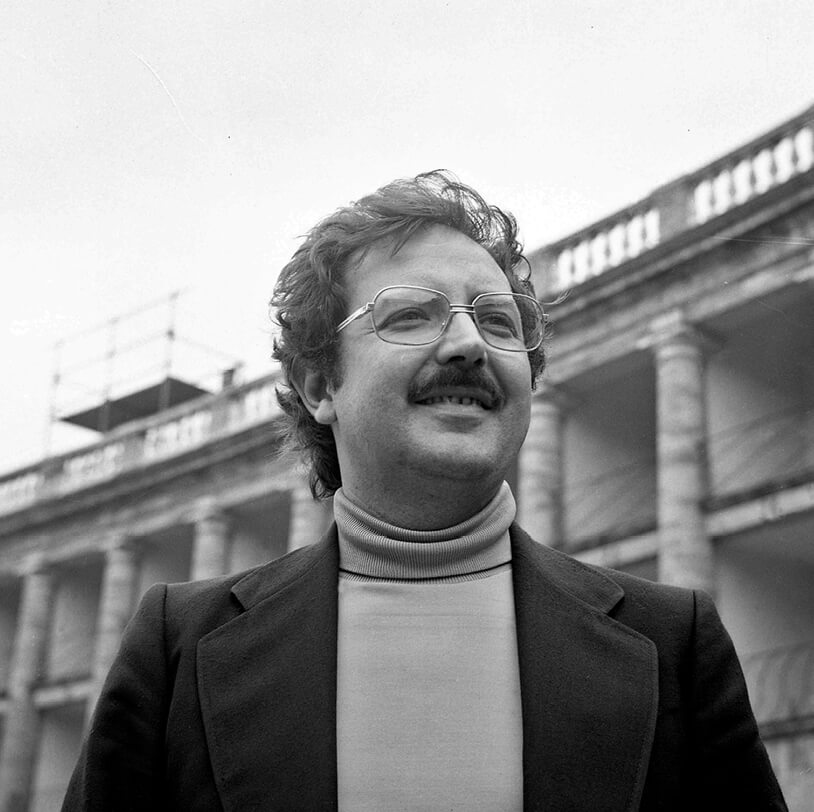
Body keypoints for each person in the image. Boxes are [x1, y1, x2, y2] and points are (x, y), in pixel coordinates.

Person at [63, 171, 786, 811]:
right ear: (319, 386)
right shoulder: (179, 645)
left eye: (497, 321)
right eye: (411, 314)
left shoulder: (672, 640)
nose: (469, 343)